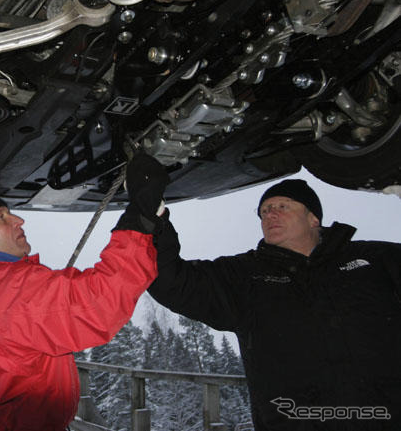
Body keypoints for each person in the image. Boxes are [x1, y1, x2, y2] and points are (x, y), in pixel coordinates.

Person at [0, 152, 169, 431]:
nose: (19, 220)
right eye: (2, 218)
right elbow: (98, 304)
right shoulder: (8, 291)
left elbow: (61, 298)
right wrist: (139, 220)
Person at [143, 177, 401, 430]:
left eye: (283, 207)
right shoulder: (244, 276)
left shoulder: (372, 259)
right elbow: (172, 283)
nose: (270, 215)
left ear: (313, 218)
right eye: (264, 211)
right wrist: (154, 216)